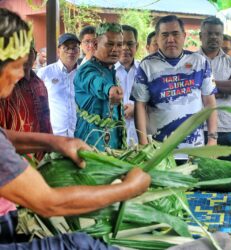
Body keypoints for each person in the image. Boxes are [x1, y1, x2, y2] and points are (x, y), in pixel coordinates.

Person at [0, 8, 151, 248]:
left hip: (7, 215)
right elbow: (49, 202)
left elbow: (4, 136)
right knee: (80, 243)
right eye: (18, 65)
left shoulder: (111, 71)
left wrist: (56, 142)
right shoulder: (89, 72)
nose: (22, 73)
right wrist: (129, 188)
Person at [133, 15, 217, 152]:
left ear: (184, 36)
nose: (170, 39)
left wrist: (213, 139)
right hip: (158, 149)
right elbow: (140, 106)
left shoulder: (199, 62)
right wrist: (143, 144)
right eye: (165, 35)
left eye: (175, 34)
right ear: (158, 38)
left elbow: (210, 102)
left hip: (194, 148)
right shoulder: (147, 65)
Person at [197, 16, 231, 162]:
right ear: (201, 36)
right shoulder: (191, 61)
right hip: (199, 130)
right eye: (209, 33)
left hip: (228, 129)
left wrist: (208, 86)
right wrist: (228, 85)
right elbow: (190, 90)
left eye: (217, 34)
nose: (214, 37)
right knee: (201, 179)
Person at [74, 23, 125, 151]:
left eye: (119, 45)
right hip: (90, 146)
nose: (115, 49)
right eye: (110, 44)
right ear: (96, 44)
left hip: (113, 147)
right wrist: (109, 89)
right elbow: (95, 82)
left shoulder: (111, 70)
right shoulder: (85, 71)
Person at [37, 33, 80, 137]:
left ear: (79, 51)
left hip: (80, 134)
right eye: (66, 48)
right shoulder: (45, 73)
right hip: (55, 134)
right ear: (58, 50)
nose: (71, 51)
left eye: (74, 48)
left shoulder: (84, 74)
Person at [115, 24, 139, 145]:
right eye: (121, 43)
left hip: (141, 139)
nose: (125, 48)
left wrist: (138, 109)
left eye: (130, 44)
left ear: (137, 46)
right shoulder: (107, 72)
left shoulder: (145, 71)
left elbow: (157, 102)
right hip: (113, 140)